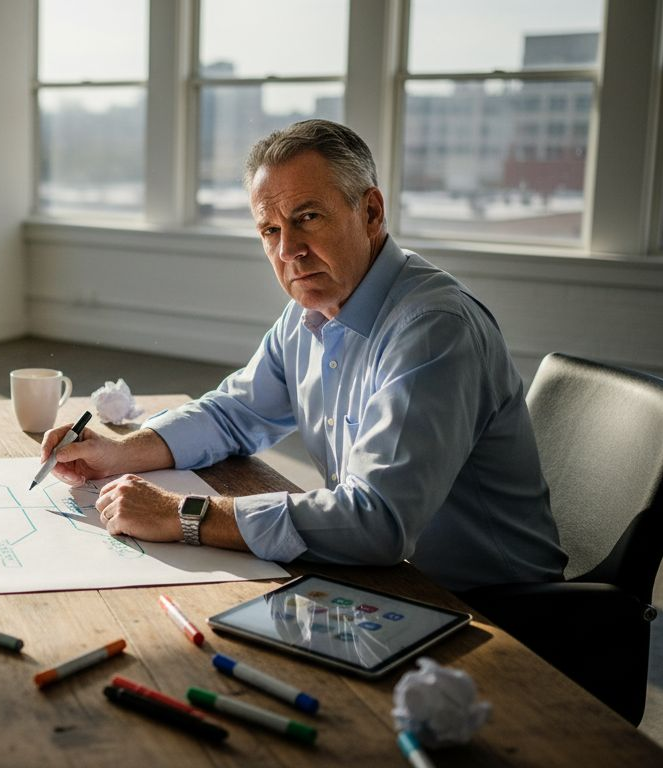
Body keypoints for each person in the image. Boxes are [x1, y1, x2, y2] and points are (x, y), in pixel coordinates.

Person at [41, 119, 567, 592]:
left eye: (307, 217)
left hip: (491, 613)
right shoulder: (310, 312)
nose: (288, 250)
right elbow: (235, 413)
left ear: (371, 212)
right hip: (386, 581)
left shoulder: (433, 330)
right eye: (270, 230)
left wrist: (184, 514)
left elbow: (376, 522)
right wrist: (122, 450)